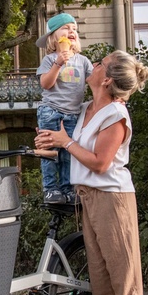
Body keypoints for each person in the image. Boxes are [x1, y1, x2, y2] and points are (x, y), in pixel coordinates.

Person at [33, 50, 148, 295]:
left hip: (113, 198)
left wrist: (66, 143)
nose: (92, 64)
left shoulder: (116, 114)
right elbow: (68, 144)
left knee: (123, 277)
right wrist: (50, 141)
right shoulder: (87, 108)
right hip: (88, 197)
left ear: (107, 79)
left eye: (99, 64)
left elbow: (100, 162)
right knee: (100, 277)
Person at [34, 13, 93, 204]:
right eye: (66, 28)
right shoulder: (50, 59)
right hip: (51, 110)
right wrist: (58, 63)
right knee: (50, 151)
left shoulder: (83, 61)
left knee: (69, 153)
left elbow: (94, 82)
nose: (71, 31)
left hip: (73, 113)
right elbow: (46, 83)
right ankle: (50, 189)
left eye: (74, 29)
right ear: (54, 37)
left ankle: (68, 189)